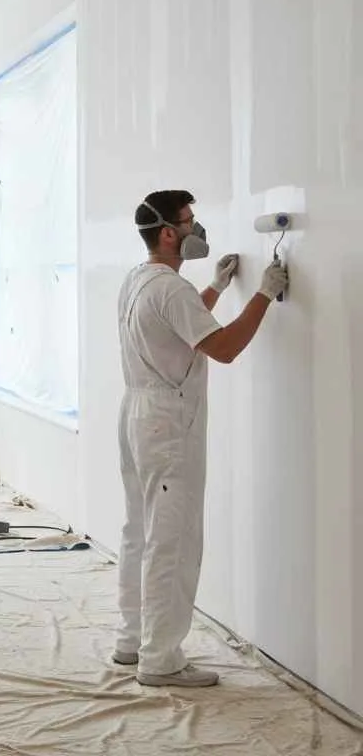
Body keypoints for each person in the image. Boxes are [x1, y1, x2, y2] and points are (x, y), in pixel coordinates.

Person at [115, 190, 288, 687]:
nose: (198, 229)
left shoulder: (139, 279)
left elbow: (179, 328)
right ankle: (161, 660)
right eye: (190, 221)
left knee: (140, 531)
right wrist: (263, 294)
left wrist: (214, 287)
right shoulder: (171, 289)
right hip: (168, 423)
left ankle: (132, 641)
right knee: (172, 540)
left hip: (136, 413)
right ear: (170, 233)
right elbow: (225, 348)